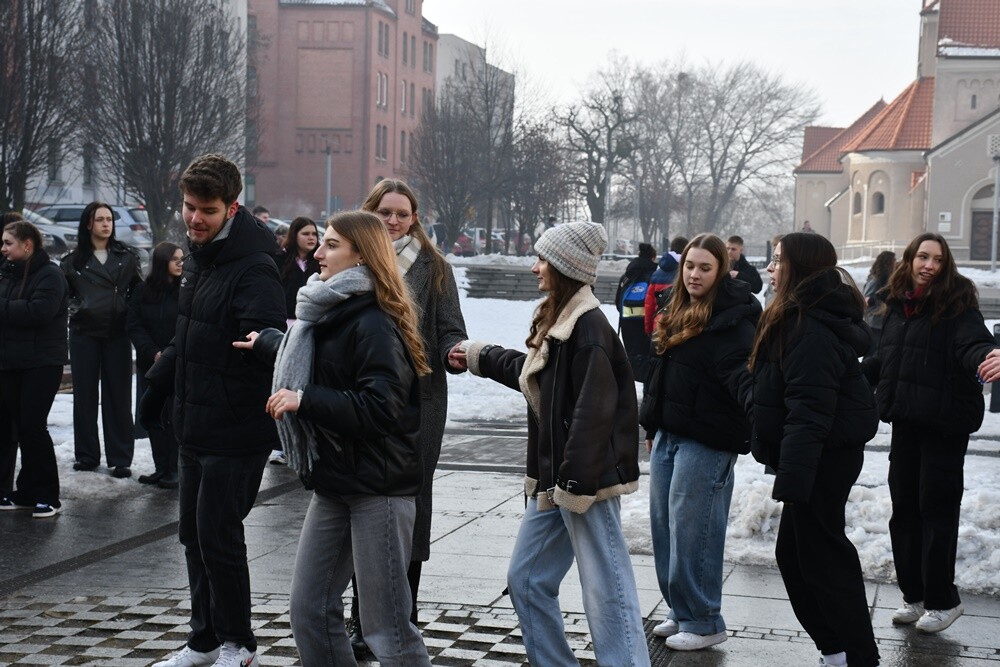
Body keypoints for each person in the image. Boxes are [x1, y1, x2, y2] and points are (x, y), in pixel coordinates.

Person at [234, 210, 433, 666]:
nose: (318, 253)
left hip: (379, 488)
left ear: (361, 256)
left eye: (331, 245)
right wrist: (268, 343)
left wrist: (304, 399)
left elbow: (380, 407)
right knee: (309, 609)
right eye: (320, 242)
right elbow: (316, 357)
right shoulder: (331, 309)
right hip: (336, 479)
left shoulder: (376, 322)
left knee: (387, 629)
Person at [448, 222, 650, 667]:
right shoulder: (564, 320)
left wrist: (574, 487)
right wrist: (482, 355)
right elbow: (539, 378)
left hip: (583, 485)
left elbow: (593, 415)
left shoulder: (589, 328)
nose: (535, 267)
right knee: (527, 580)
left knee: (608, 591)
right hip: (558, 482)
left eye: (543, 260)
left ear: (564, 267)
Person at [141, 154, 286, 667]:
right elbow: (192, 333)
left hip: (236, 427)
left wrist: (258, 343)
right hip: (194, 422)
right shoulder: (199, 255)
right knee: (192, 536)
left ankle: (239, 643)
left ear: (232, 208)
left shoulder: (255, 267)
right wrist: (160, 382)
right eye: (188, 208)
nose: (194, 219)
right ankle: (203, 641)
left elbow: (266, 344)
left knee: (218, 536)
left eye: (206, 210)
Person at [747, 232, 879, 667]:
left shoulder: (808, 326)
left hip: (823, 456)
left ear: (798, 268)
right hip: (812, 453)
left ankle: (856, 656)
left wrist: (794, 476)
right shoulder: (795, 316)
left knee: (824, 559)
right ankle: (836, 650)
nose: (770, 267)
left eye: (778, 259)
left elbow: (810, 408)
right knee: (797, 556)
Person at [347, 178, 467, 653]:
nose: (394, 221)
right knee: (364, 504)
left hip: (420, 406)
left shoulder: (435, 268)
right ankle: (362, 621)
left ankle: (404, 615)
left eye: (402, 213)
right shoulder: (354, 259)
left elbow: (450, 326)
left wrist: (454, 349)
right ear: (370, 212)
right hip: (363, 400)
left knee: (409, 509)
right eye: (385, 212)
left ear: (414, 218)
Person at [866, 233, 1000, 635]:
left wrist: (988, 356)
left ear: (947, 266)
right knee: (903, 510)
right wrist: (849, 373)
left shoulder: (958, 305)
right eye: (922, 256)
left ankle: (943, 600)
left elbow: (972, 344)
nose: (929, 265)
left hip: (944, 425)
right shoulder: (898, 305)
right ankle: (916, 596)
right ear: (909, 260)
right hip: (906, 420)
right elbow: (887, 358)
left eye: (937, 259)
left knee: (936, 511)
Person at [639, 234, 760, 651]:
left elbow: (743, 376)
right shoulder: (678, 308)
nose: (694, 274)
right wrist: (652, 426)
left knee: (695, 530)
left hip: (708, 440)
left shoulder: (732, 319)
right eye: (690, 265)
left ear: (721, 270)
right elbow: (661, 376)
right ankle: (681, 610)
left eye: (705, 267)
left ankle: (705, 620)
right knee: (664, 526)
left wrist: (759, 414)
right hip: (671, 433)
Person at [61, 201, 141, 478]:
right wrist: (78, 308)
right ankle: (87, 455)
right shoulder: (72, 262)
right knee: (84, 395)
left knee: (118, 396)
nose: (106, 224)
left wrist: (129, 313)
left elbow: (138, 292)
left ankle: (120, 458)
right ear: (88, 224)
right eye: (100, 220)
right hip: (84, 333)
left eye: (110, 219)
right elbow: (63, 297)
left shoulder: (126, 257)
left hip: (117, 333)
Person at [0, 220, 68, 518]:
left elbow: (39, 312)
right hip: (12, 362)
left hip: (42, 363)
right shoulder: (7, 273)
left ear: (27, 245)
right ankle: (26, 490)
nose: (2, 248)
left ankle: (48, 495)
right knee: (22, 426)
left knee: (33, 426)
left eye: (8, 243)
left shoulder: (51, 274)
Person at [127, 242, 182, 489]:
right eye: (175, 259)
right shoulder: (142, 291)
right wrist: (152, 352)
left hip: (178, 362)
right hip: (151, 363)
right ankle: (161, 468)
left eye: (183, 259)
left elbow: (188, 325)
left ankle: (174, 469)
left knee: (174, 416)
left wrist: (169, 353)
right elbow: (134, 325)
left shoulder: (186, 290)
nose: (181, 263)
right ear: (162, 262)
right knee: (153, 415)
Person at [615, 242, 658, 379]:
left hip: (628, 323)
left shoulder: (627, 276)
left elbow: (618, 302)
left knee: (633, 360)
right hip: (647, 325)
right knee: (648, 362)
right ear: (653, 257)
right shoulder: (654, 276)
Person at [278, 216, 320, 326]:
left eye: (314, 234)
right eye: (306, 234)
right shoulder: (279, 259)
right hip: (284, 321)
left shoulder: (321, 262)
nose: (311, 238)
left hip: (313, 322)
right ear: (294, 236)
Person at [644, 236, 688, 335]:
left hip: (658, 325)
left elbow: (649, 306)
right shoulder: (688, 274)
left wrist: (648, 328)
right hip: (682, 328)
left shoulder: (656, 274)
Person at [862, 250, 896, 357]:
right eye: (894, 260)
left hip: (882, 323)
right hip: (874, 323)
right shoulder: (875, 280)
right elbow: (866, 300)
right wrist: (879, 304)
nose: (895, 262)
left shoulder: (887, 279)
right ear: (888, 262)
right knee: (872, 353)